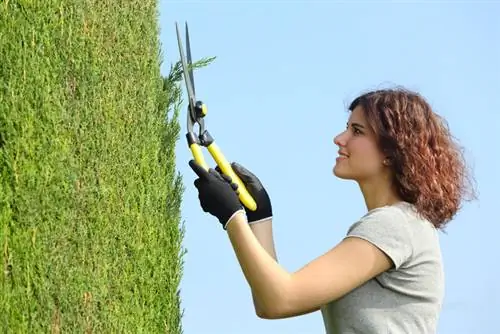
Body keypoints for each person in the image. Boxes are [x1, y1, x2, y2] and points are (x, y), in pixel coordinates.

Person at [188, 87, 476, 334]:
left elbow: (280, 299)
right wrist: (258, 217)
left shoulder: (395, 225)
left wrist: (231, 216)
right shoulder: (400, 224)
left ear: (392, 152)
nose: (340, 138)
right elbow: (269, 303)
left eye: (357, 131)